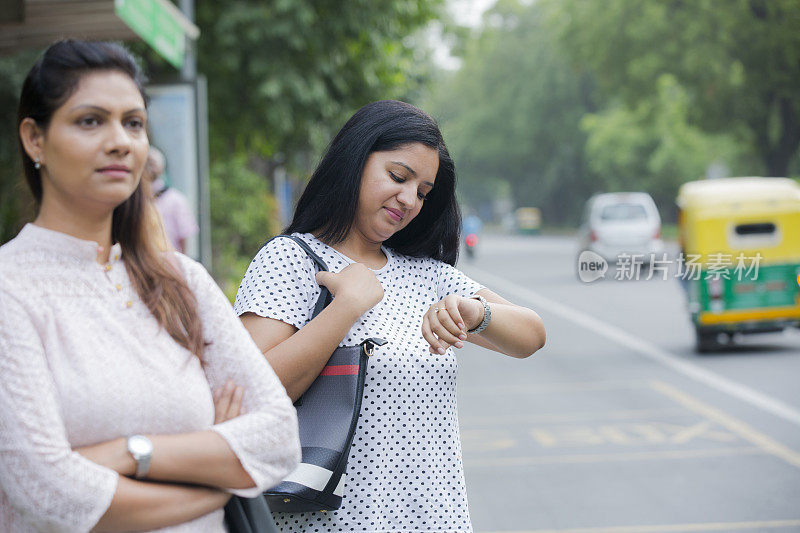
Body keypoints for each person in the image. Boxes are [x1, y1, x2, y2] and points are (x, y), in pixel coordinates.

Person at [0, 39, 300, 532]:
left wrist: (129, 452)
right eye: (90, 120)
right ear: (35, 139)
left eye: (133, 122)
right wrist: (218, 475)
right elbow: (46, 489)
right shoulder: (13, 288)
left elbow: (277, 437)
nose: (120, 140)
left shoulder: (183, 281)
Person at [235, 100, 546, 532]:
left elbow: (532, 334)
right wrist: (345, 307)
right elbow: (251, 392)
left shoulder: (427, 277)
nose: (409, 200)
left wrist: (476, 314)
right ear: (354, 161)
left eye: (423, 192)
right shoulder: (292, 260)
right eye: (398, 177)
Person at [144, 145, 199, 254]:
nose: (149, 167)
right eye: (146, 163)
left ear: (162, 167)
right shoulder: (132, 199)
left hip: (169, 263)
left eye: (152, 163)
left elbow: (184, 238)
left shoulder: (176, 200)